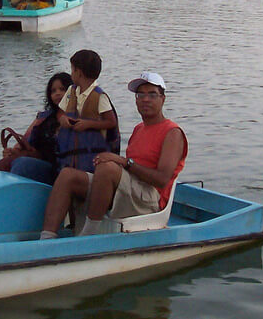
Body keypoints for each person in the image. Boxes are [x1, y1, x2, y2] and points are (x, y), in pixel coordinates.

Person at [41, 70, 186, 239]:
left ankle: (89, 235)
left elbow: (162, 179)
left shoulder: (172, 133)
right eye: (140, 95)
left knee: (108, 168)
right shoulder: (139, 129)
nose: (146, 99)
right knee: (68, 176)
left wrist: (124, 162)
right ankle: (46, 238)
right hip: (130, 189)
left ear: (163, 99)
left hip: (150, 200)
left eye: (152, 94)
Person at [0, 72, 74, 184]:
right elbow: (25, 140)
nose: (57, 93)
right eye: (53, 91)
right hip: (35, 159)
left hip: (57, 168)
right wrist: (11, 152)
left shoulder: (77, 117)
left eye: (62, 89)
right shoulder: (43, 117)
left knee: (22, 164)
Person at [53, 49, 120, 178]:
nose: (71, 74)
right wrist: (62, 119)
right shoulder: (71, 92)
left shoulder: (100, 97)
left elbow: (111, 122)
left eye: (72, 70)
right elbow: (60, 112)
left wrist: (88, 124)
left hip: (91, 161)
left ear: (79, 73)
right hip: (70, 159)